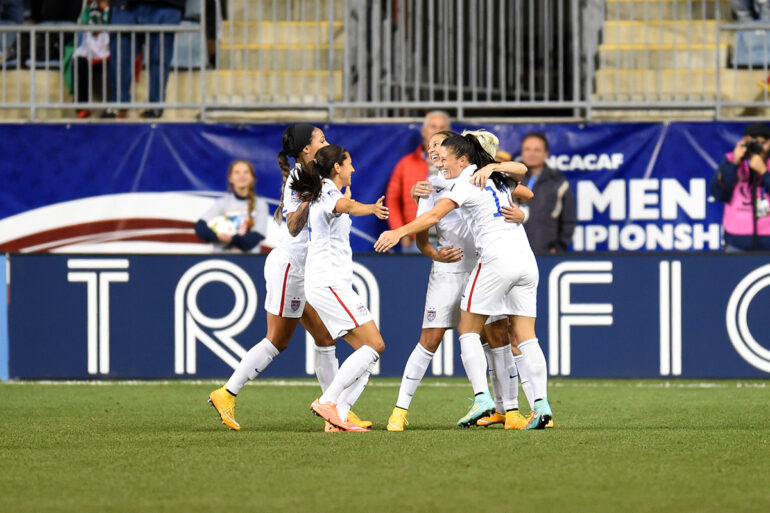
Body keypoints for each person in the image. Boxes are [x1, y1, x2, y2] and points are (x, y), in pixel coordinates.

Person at [376, 134, 553, 430]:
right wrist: (495, 168)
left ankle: (484, 399)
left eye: (445, 156)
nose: (439, 160)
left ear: (463, 158)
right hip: (524, 259)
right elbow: (522, 172)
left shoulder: (468, 180)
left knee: (468, 329)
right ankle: (542, 406)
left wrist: (397, 232)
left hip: (494, 260)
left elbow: (434, 214)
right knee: (525, 336)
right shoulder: (494, 178)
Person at [207, 125, 371, 432]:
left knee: (325, 339)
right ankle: (226, 393)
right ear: (307, 149)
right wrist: (313, 199)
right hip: (291, 268)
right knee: (277, 341)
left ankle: (334, 412)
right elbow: (294, 227)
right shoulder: (300, 178)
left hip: (308, 271)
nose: (327, 143)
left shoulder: (317, 176)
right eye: (321, 140)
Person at [290, 144, 389, 432]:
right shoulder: (327, 191)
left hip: (330, 282)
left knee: (366, 353)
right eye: (349, 164)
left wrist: (347, 201)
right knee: (375, 345)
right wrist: (370, 208)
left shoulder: (323, 191)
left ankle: (338, 417)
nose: (353, 169)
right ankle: (329, 401)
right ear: (337, 168)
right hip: (328, 281)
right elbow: (343, 206)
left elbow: (339, 206)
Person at [104, 0, 184, 119]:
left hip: (166, 5)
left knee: (159, 59)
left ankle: (155, 106)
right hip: (125, 7)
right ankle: (118, 104)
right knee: (120, 57)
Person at [385, 111, 451, 252]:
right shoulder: (406, 164)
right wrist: (401, 233)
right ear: (424, 131)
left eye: (442, 127)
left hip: (452, 240)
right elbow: (392, 201)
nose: (437, 131)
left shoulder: (459, 164)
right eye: (433, 126)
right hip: (416, 241)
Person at [710, 122, 770, 251]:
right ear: (743, 142)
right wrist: (734, 163)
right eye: (752, 143)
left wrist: (764, 172)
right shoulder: (731, 161)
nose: (757, 147)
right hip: (736, 243)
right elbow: (719, 194)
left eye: (762, 143)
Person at [518, 132, 577, 255]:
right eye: (527, 149)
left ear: (546, 154)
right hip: (513, 253)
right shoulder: (510, 179)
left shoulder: (558, 181)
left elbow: (569, 220)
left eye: (537, 150)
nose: (531, 154)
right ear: (522, 152)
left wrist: (558, 248)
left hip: (544, 254)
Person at [194, 159, 268, 252]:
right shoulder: (222, 203)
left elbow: (255, 238)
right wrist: (217, 236)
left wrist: (231, 239)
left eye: (246, 172)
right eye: (237, 172)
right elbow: (200, 226)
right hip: (223, 260)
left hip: (250, 261)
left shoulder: (260, 204)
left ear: (252, 178)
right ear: (230, 178)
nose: (242, 176)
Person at [64, 1, 111, 119]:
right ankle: (81, 106)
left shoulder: (114, 10)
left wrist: (105, 10)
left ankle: (113, 106)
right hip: (88, 50)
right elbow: (82, 30)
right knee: (79, 61)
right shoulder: (87, 8)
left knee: (114, 64)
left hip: (109, 50)